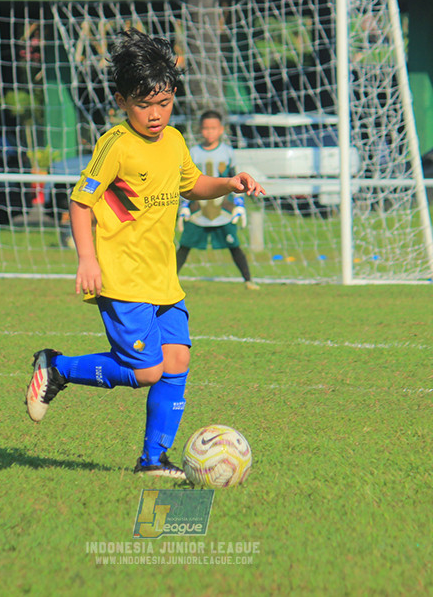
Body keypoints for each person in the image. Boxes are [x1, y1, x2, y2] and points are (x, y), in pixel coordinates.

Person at [25, 29, 265, 479]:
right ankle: (55, 368)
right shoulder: (116, 145)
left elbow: (191, 185)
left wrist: (230, 183)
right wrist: (87, 259)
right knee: (148, 371)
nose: (155, 115)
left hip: (163, 277)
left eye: (164, 102)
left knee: (177, 362)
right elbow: (81, 202)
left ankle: (153, 460)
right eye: (143, 104)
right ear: (121, 101)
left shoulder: (174, 140)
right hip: (123, 278)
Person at [176, 110, 258, 290]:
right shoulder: (193, 153)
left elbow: (236, 180)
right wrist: (184, 207)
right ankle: (169, 281)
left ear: (221, 130)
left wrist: (239, 205)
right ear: (200, 130)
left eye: (213, 128)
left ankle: (248, 280)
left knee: (234, 246)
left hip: (223, 209)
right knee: (184, 246)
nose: (209, 132)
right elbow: (185, 182)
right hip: (198, 210)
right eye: (205, 128)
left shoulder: (228, 152)